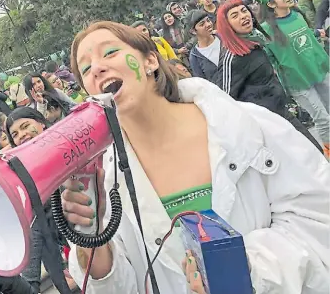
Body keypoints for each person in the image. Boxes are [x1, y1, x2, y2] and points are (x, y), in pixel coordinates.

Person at [63, 21, 329, 294]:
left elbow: (319, 218)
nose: (96, 68)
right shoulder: (106, 179)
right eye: (85, 69)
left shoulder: (249, 127)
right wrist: (89, 237)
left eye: (109, 53)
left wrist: (245, 271)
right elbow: (117, 285)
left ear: (150, 61)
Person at [213, 0, 323, 152]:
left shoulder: (256, 40)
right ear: (227, 26)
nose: (243, 16)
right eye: (235, 15)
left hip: (283, 113)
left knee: (314, 153)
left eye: (244, 11)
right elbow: (225, 99)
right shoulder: (233, 57)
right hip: (266, 127)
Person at [5, 108, 76, 292]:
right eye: (15, 134)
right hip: (56, 254)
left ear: (41, 123)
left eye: (25, 126)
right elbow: (33, 226)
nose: (22, 135)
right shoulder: (19, 174)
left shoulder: (69, 146)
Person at [258, 0, 330, 156]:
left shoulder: (297, 15)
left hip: (317, 71)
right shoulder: (266, 30)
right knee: (322, 119)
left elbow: (308, 39)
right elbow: (269, 58)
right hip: (298, 82)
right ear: (271, 4)